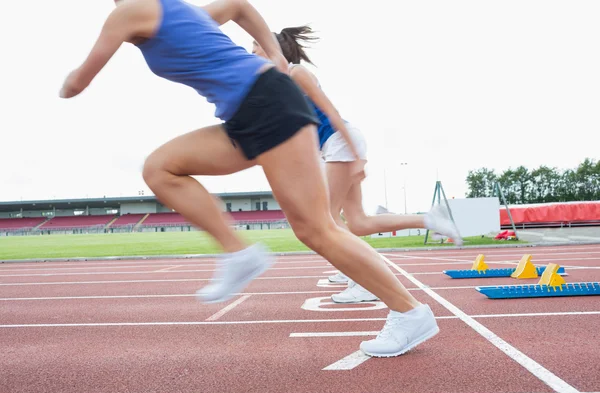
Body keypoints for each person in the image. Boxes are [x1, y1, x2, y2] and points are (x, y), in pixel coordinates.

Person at [60, 0, 450, 357]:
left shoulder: (130, 12)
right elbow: (237, 5)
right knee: (160, 168)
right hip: (249, 112)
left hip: (266, 104)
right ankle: (239, 252)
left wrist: (64, 85)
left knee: (318, 230)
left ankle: (410, 312)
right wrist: (274, 53)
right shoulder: (180, 13)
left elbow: (78, 82)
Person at [252, 26, 462, 305]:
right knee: (358, 222)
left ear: (270, 47)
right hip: (336, 146)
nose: (251, 49)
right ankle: (427, 220)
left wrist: (357, 157)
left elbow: (332, 112)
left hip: (342, 141)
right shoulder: (280, 81)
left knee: (325, 221)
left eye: (255, 43)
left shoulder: (296, 73)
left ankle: (362, 281)